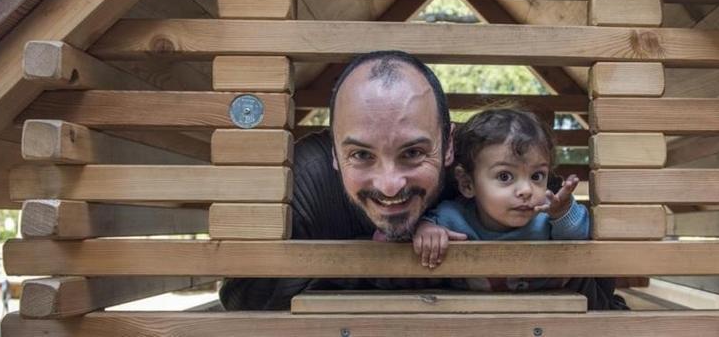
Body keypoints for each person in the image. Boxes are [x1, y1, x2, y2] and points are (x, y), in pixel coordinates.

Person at [219, 51, 625, 310]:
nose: (391, 184)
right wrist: (381, 268)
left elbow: (600, 290)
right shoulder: (305, 178)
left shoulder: (496, 168)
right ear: (334, 156)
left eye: (413, 153)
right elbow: (244, 296)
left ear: (450, 149)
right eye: (362, 155)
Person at [412, 108, 589, 292]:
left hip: (544, 313)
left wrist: (562, 213)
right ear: (467, 184)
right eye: (505, 176)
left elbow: (579, 236)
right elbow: (426, 224)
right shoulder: (453, 217)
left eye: (536, 176)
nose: (526, 190)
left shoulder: (547, 216)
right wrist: (427, 230)